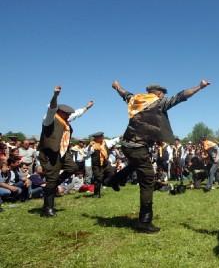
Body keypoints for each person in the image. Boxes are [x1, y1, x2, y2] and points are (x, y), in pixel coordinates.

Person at [109, 79, 210, 233]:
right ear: (159, 93)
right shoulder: (158, 103)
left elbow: (124, 93)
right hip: (138, 147)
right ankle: (144, 221)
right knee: (148, 179)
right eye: (163, 94)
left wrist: (117, 86)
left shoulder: (136, 99)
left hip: (126, 145)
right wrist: (200, 87)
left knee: (136, 165)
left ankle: (114, 180)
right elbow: (181, 96)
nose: (163, 97)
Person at [37, 86, 94, 217]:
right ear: (60, 112)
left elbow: (76, 114)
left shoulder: (65, 120)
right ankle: (47, 209)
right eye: (66, 114)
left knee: (73, 168)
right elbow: (51, 108)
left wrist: (86, 107)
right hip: (51, 154)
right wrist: (55, 95)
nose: (69, 115)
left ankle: (53, 184)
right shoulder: (49, 119)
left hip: (63, 153)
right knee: (51, 181)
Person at [85, 132, 120, 198]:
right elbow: (86, 153)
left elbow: (113, 141)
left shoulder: (106, 142)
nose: (102, 137)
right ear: (96, 138)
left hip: (106, 164)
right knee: (98, 179)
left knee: (112, 173)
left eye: (102, 136)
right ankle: (96, 194)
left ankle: (110, 183)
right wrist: (89, 146)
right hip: (97, 165)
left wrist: (120, 137)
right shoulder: (92, 145)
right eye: (100, 137)